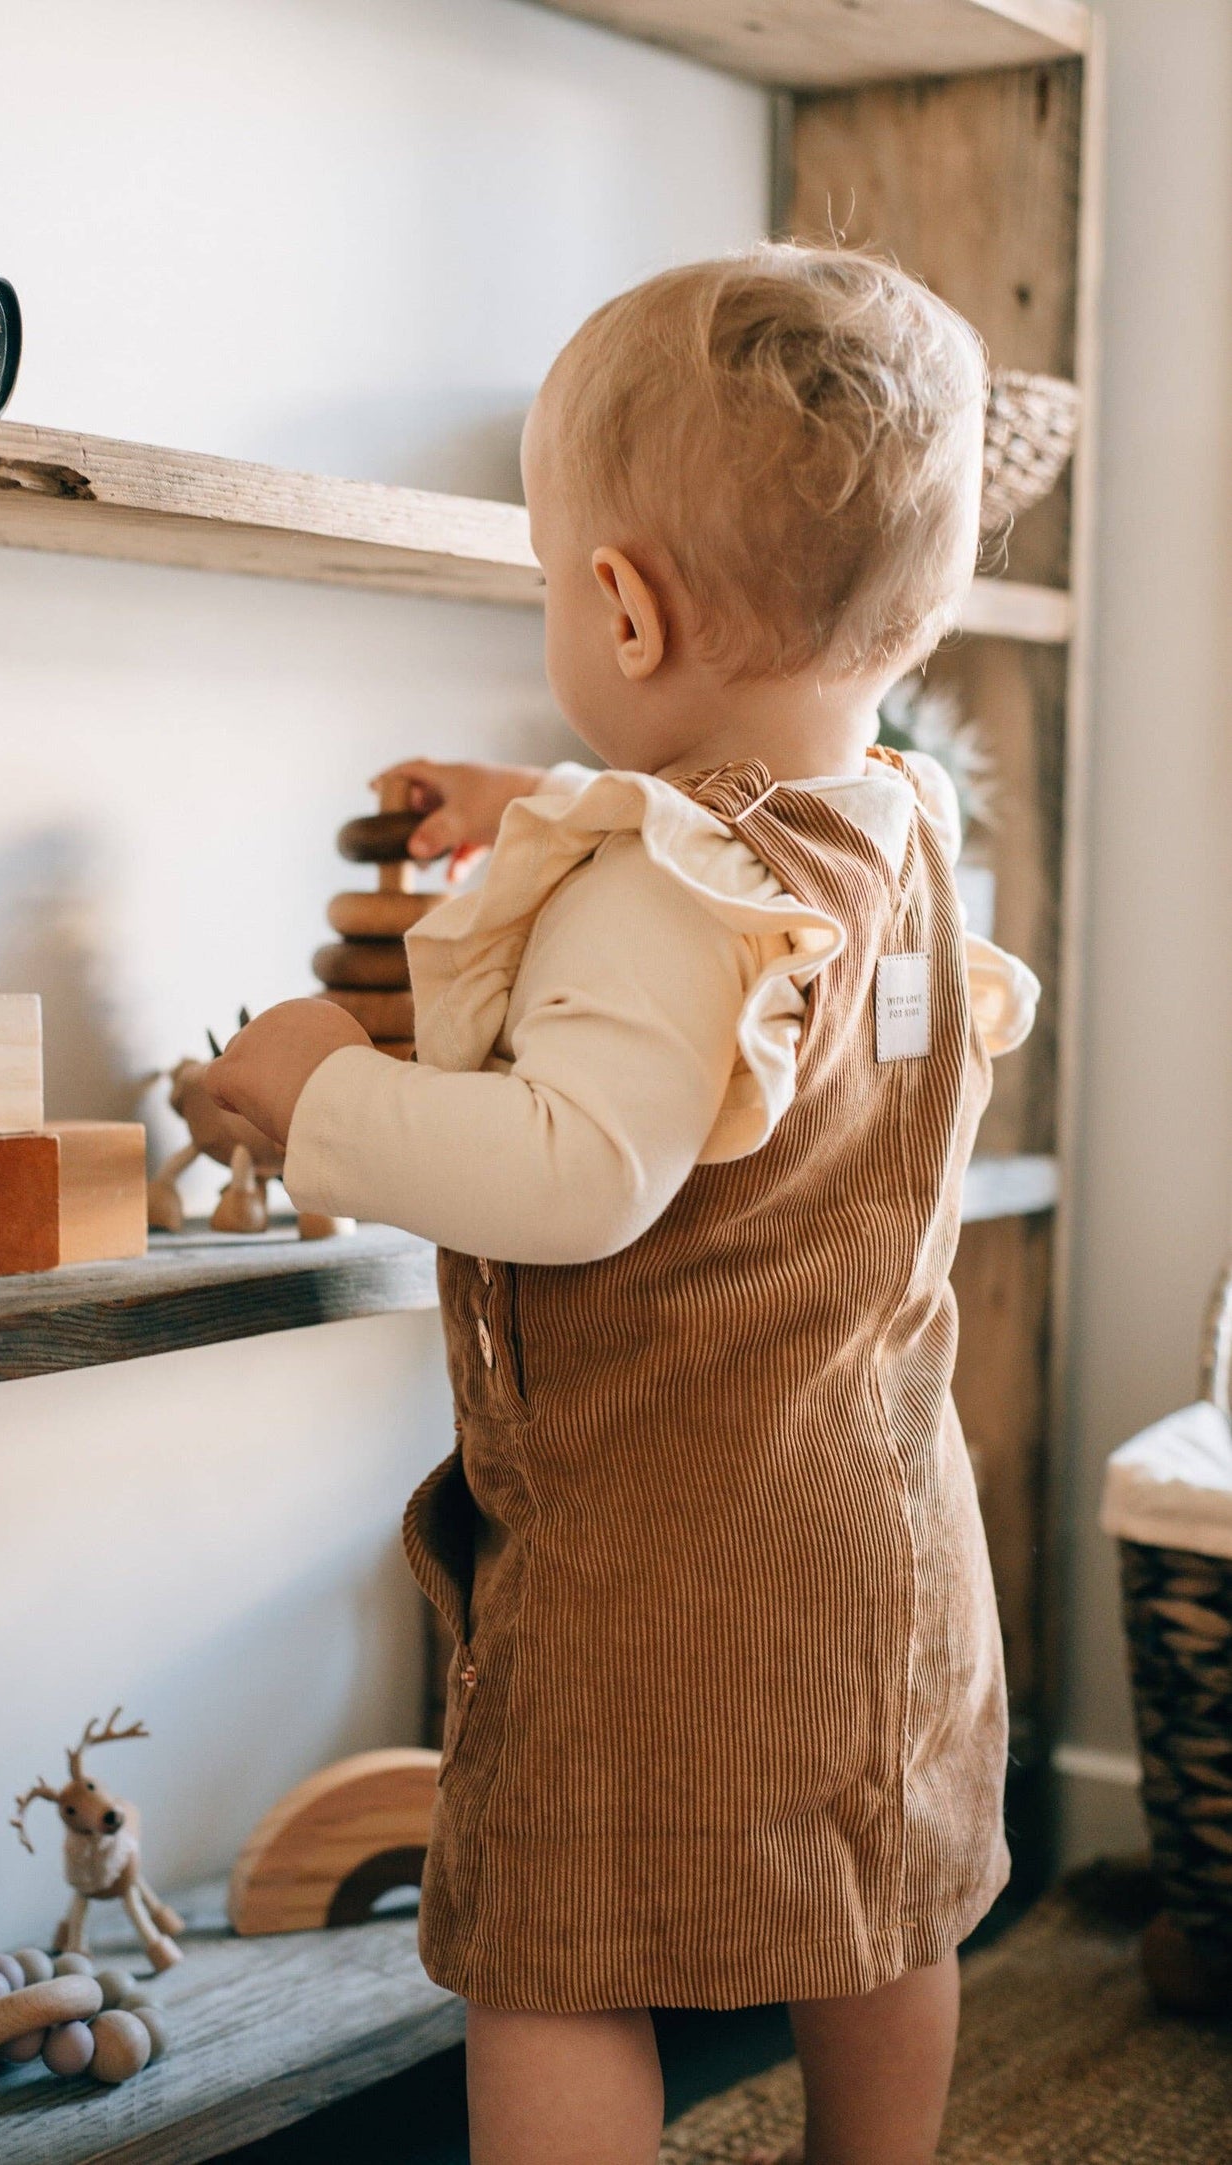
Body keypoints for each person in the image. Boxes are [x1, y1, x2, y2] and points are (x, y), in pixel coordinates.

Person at [205, 245, 1039, 2165]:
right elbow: (731, 864)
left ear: (620, 608)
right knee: (876, 1887)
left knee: (562, 1952)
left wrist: (310, 1083)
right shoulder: (894, 824)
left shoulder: (666, 891)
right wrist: (554, 802)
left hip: (669, 1548)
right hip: (875, 1518)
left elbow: (581, 1171)